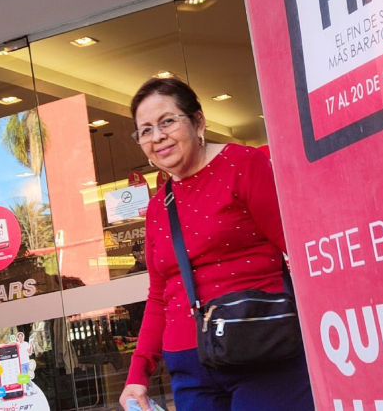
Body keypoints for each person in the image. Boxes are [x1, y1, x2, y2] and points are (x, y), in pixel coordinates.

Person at [118, 77, 314, 411]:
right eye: (146, 130)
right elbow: (159, 295)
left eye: (167, 121)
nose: (158, 136)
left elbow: (301, 247)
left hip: (259, 346)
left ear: (198, 121)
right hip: (189, 367)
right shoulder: (156, 207)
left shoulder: (243, 165)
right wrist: (137, 375)